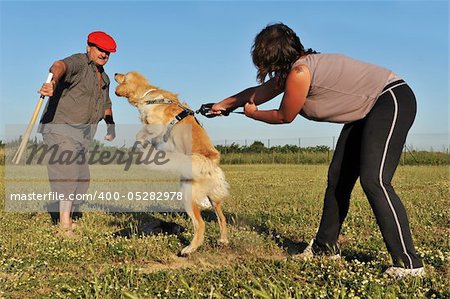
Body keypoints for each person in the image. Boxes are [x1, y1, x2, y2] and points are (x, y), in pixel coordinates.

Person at [210, 23, 424, 278]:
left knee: (374, 179)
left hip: (391, 99)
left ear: (274, 57)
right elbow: (256, 93)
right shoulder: (293, 70)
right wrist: (223, 104)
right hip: (365, 110)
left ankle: (410, 264)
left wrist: (253, 115)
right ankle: (325, 247)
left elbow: (284, 115)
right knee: (338, 179)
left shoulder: (300, 72)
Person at [38, 31, 117, 236]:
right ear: (89, 46)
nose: (104, 55)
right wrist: (52, 82)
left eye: (108, 52)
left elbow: (106, 105)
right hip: (60, 128)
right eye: (100, 49)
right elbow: (59, 66)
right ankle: (64, 225)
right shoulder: (79, 63)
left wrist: (110, 125)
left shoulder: (105, 78)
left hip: (82, 136)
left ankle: (68, 216)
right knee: (69, 173)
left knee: (82, 178)